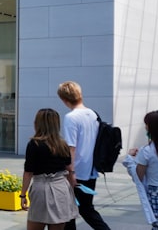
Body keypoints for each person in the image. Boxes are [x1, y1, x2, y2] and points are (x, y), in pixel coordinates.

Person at [57, 81, 110, 230]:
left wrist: (70, 172)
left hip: (76, 170)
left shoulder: (71, 117)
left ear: (64, 99)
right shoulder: (93, 114)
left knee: (70, 211)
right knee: (86, 209)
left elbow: (71, 148)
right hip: (91, 170)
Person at [20, 108, 78, 230]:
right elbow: (68, 168)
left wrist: (23, 195)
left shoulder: (34, 144)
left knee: (35, 223)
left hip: (41, 187)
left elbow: (28, 172)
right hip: (61, 188)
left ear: (38, 123)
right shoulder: (63, 144)